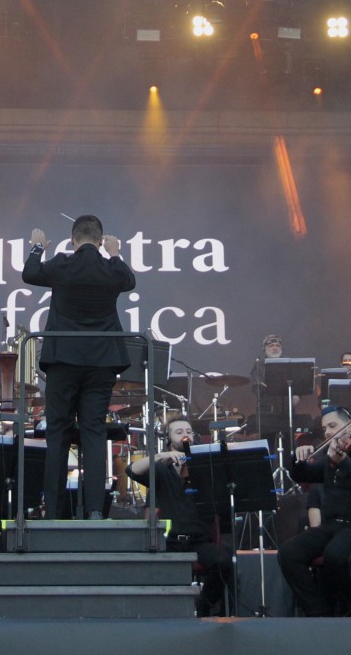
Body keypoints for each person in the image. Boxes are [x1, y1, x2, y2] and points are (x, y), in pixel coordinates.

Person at [22, 214, 136, 519]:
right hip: (101, 362)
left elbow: (30, 273)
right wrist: (115, 253)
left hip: (63, 361)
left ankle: (55, 512)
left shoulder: (62, 263)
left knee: (57, 432)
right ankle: (97, 509)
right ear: (100, 241)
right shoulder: (111, 266)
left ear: (73, 241)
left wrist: (37, 247)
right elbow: (130, 280)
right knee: (94, 432)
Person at [279, 405, 351, 615]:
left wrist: (346, 464)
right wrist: (298, 460)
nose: (328, 432)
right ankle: (320, 613)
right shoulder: (332, 458)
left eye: (333, 426)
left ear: (350, 425)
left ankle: (347, 613)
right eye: (325, 429)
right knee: (288, 553)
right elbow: (304, 475)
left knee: (336, 553)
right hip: (334, 526)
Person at [127, 416, 235, 614]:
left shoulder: (206, 466)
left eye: (188, 431)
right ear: (169, 440)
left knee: (224, 561)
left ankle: (205, 604)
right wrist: (160, 456)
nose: (185, 435)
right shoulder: (160, 469)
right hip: (169, 541)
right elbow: (132, 471)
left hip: (199, 541)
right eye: (179, 432)